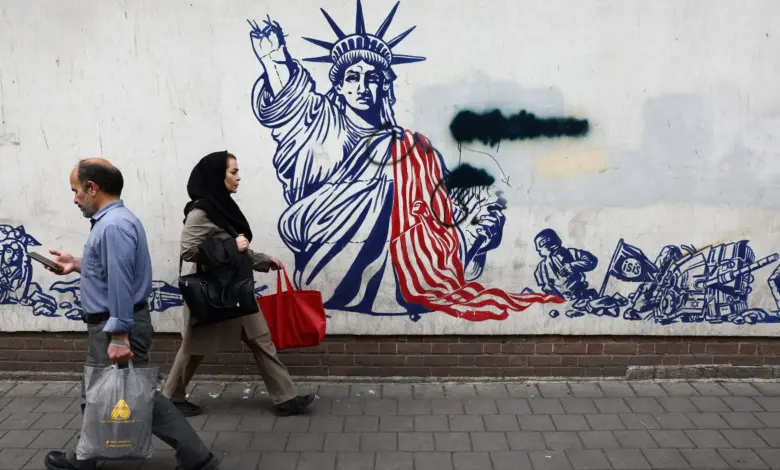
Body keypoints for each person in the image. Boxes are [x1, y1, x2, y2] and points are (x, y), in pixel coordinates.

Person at [247, 2, 563, 321]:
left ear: (384, 85)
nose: (362, 87)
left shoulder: (413, 147)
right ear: (339, 86)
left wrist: (476, 220)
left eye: (372, 78)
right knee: (386, 186)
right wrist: (275, 60)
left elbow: (440, 207)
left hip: (405, 270)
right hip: (321, 254)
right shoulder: (319, 124)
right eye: (353, 77)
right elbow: (290, 103)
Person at [43, 159, 219, 470]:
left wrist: (120, 334)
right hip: (115, 323)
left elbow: (121, 282)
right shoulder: (116, 220)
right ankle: (192, 455)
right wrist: (76, 264)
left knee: (125, 394)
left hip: (115, 326)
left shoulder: (113, 226)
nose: (74, 198)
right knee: (120, 391)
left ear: (92, 188)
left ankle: (83, 459)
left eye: (75, 190)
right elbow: (110, 270)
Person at [160, 151, 314, 417]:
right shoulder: (201, 211)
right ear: (216, 176)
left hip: (237, 287)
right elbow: (188, 250)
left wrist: (264, 260)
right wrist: (233, 245)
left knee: (261, 339)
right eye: (233, 172)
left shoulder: (222, 207)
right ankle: (171, 398)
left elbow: (236, 249)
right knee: (194, 346)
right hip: (215, 291)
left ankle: (285, 398)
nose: (238, 177)